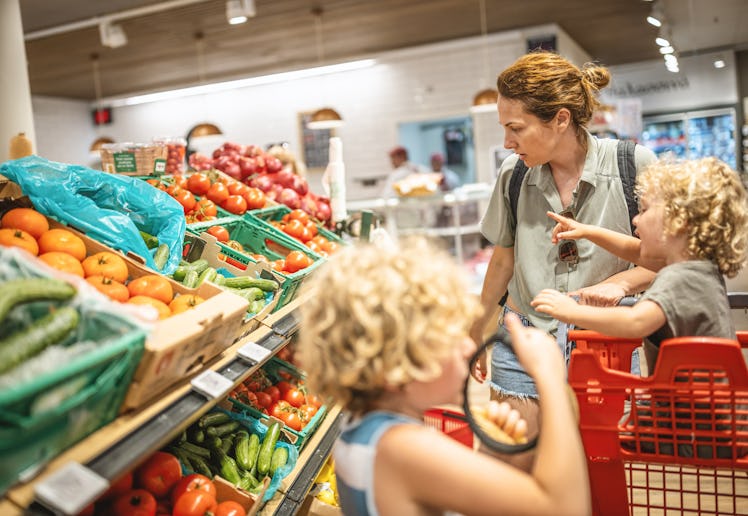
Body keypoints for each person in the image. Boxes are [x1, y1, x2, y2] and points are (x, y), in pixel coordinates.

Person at [297, 237, 590, 516]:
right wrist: (550, 377)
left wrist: (495, 460)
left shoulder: (361, 430)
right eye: (448, 336)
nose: (467, 346)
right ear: (397, 367)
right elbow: (564, 509)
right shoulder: (403, 447)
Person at [469, 50, 657, 468]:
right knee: (511, 464)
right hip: (524, 335)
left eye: (515, 128)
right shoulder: (513, 173)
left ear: (561, 118)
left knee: (595, 467)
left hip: (601, 345)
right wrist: (479, 328)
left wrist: (620, 283)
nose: (506, 142)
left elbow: (668, 258)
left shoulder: (632, 165)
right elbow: (503, 259)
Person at [531, 157, 748, 372]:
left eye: (643, 210)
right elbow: (632, 250)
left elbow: (636, 322)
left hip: (692, 403)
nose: (635, 219)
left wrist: (570, 312)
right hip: (702, 400)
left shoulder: (680, 278)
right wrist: (586, 231)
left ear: (678, 222)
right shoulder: (698, 267)